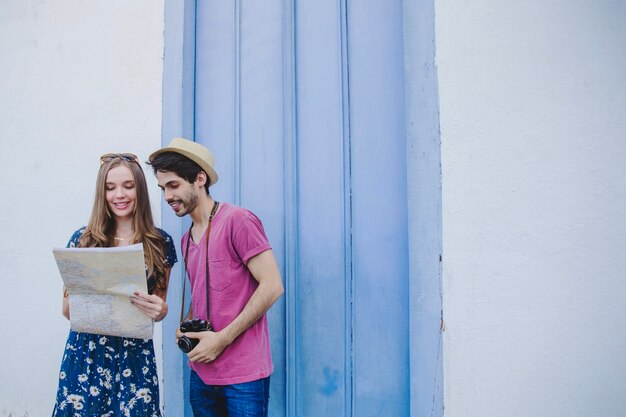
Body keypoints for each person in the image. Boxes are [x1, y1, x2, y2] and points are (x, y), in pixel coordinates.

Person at [148, 138, 284, 417]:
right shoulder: (185, 240)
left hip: (244, 377)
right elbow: (203, 295)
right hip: (202, 374)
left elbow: (272, 286)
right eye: (163, 189)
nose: (167, 196)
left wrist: (222, 339)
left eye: (174, 185)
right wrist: (185, 324)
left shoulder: (238, 220)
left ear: (200, 178)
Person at [52, 152, 178, 417]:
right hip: (86, 354)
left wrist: (161, 310)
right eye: (110, 188)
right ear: (102, 193)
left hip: (135, 358)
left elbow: (158, 306)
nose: (119, 194)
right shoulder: (83, 240)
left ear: (140, 190)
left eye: (128, 186)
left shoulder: (159, 243)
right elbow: (67, 311)